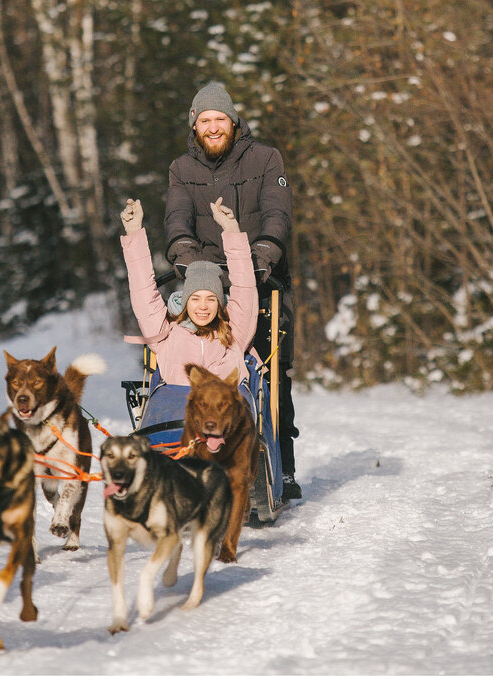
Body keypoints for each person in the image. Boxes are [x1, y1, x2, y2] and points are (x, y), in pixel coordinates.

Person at [162, 81, 302, 500]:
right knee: (183, 364)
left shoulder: (265, 159)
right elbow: (176, 220)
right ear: (194, 125)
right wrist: (185, 258)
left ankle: (281, 466)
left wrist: (262, 254)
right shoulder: (181, 170)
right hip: (204, 282)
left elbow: (278, 214)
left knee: (270, 372)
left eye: (220, 119)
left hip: (261, 279)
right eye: (205, 120)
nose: (213, 127)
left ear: (233, 122)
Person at [119, 197, 256, 388]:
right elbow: (142, 290)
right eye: (195, 298)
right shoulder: (166, 336)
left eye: (211, 299)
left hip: (225, 412)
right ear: (184, 301)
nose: (202, 306)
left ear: (219, 303)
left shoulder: (234, 335)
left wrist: (232, 230)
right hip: (178, 413)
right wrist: (133, 232)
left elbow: (245, 287)